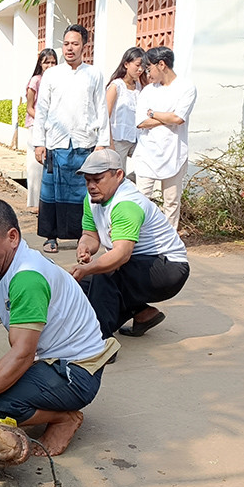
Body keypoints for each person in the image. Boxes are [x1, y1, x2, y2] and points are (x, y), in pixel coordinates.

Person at [0, 199, 118, 456]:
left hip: (76, 373)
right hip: (47, 363)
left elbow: (23, 354)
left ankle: (64, 418)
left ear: (12, 237)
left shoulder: (27, 278)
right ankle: (39, 406)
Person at [70, 149, 190, 338]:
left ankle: (99, 343)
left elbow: (121, 254)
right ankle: (143, 314)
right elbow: (90, 235)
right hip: (140, 263)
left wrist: (89, 268)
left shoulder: (126, 204)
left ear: (118, 175)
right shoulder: (92, 199)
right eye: (88, 180)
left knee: (105, 273)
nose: (91, 186)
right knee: (82, 284)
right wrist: (84, 247)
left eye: (98, 179)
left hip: (169, 268)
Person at [31, 24, 109, 254]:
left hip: (85, 144)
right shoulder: (52, 75)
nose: (69, 48)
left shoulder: (94, 74)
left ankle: (85, 236)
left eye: (75, 44)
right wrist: (39, 142)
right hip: (56, 143)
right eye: (66, 44)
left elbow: (101, 109)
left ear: (85, 46)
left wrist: (102, 142)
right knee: (52, 192)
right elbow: (41, 110)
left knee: (84, 192)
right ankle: (50, 236)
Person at [132, 46, 197, 231]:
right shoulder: (147, 91)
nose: (148, 73)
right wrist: (167, 117)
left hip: (174, 152)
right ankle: (137, 237)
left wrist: (154, 113)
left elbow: (178, 118)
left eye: (149, 68)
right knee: (141, 198)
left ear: (162, 65)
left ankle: (169, 241)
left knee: (171, 201)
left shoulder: (186, 88)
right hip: (147, 152)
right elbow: (141, 122)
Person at [24, 49, 58, 214]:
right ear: (40, 64)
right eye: (46, 62)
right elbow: (29, 107)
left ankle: (47, 202)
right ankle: (35, 203)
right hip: (35, 126)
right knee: (36, 166)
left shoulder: (59, 80)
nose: (50, 66)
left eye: (53, 62)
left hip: (54, 129)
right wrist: (42, 120)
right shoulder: (36, 81)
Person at [105, 47, 147, 170]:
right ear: (126, 64)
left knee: (146, 169)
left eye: (143, 66)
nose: (140, 69)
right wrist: (110, 143)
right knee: (118, 175)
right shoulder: (116, 86)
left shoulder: (140, 87)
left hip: (137, 139)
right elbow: (105, 116)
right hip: (118, 140)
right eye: (137, 65)